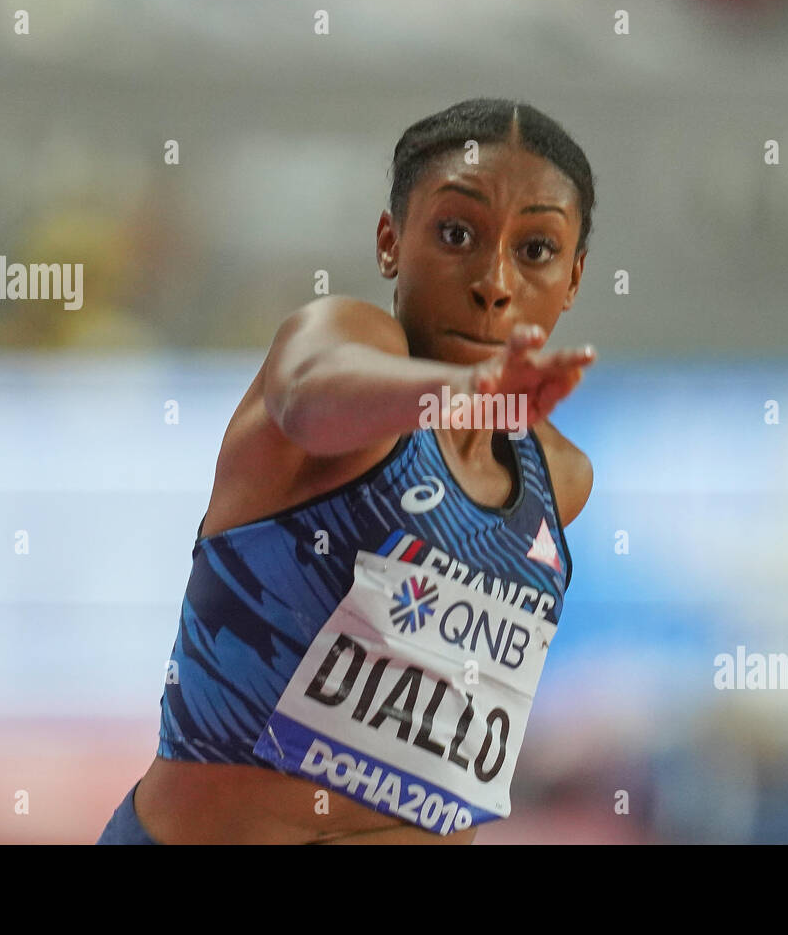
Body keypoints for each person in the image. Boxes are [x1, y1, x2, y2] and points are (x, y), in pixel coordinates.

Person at [97, 98, 597, 844]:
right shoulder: (341, 347)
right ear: (391, 243)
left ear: (574, 279)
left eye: (535, 250)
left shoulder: (559, 479)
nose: (493, 281)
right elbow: (308, 396)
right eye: (456, 234)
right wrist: (461, 395)